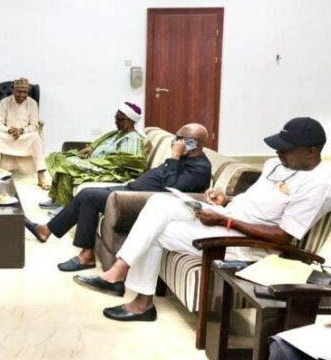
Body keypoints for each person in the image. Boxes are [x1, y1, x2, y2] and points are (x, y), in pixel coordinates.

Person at [76, 117, 330, 323]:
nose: (278, 151)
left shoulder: (318, 184)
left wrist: (225, 222)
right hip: (229, 217)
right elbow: (257, 204)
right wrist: (225, 200)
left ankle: (139, 300)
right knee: (158, 203)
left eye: (286, 148)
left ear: (311, 152)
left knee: (158, 231)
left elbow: (283, 236)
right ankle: (121, 273)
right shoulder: (276, 164)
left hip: (247, 244)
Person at [26, 123, 211, 272]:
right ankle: (51, 233)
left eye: (180, 139)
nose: (175, 142)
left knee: (88, 196)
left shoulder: (200, 167)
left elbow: (171, 188)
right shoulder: (185, 159)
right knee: (86, 195)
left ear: (193, 143)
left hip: (137, 201)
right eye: (176, 137)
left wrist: (175, 157)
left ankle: (80, 253)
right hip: (129, 190)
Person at [41, 102, 148, 208]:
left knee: (67, 163)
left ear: (131, 120)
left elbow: (127, 161)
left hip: (109, 169)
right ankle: (57, 198)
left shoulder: (132, 138)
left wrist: (94, 162)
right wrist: (91, 148)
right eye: (115, 118)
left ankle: (64, 204)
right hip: (94, 163)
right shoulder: (118, 133)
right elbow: (100, 142)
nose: (116, 122)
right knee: (60, 157)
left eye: (120, 119)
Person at [0, 77, 49, 189]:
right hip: (8, 135)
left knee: (36, 137)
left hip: (24, 135)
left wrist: (22, 131)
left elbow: (34, 125)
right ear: (14, 90)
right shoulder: (4, 102)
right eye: (19, 92)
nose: (22, 95)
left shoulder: (32, 103)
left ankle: (41, 176)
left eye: (25, 92)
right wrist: (9, 130)